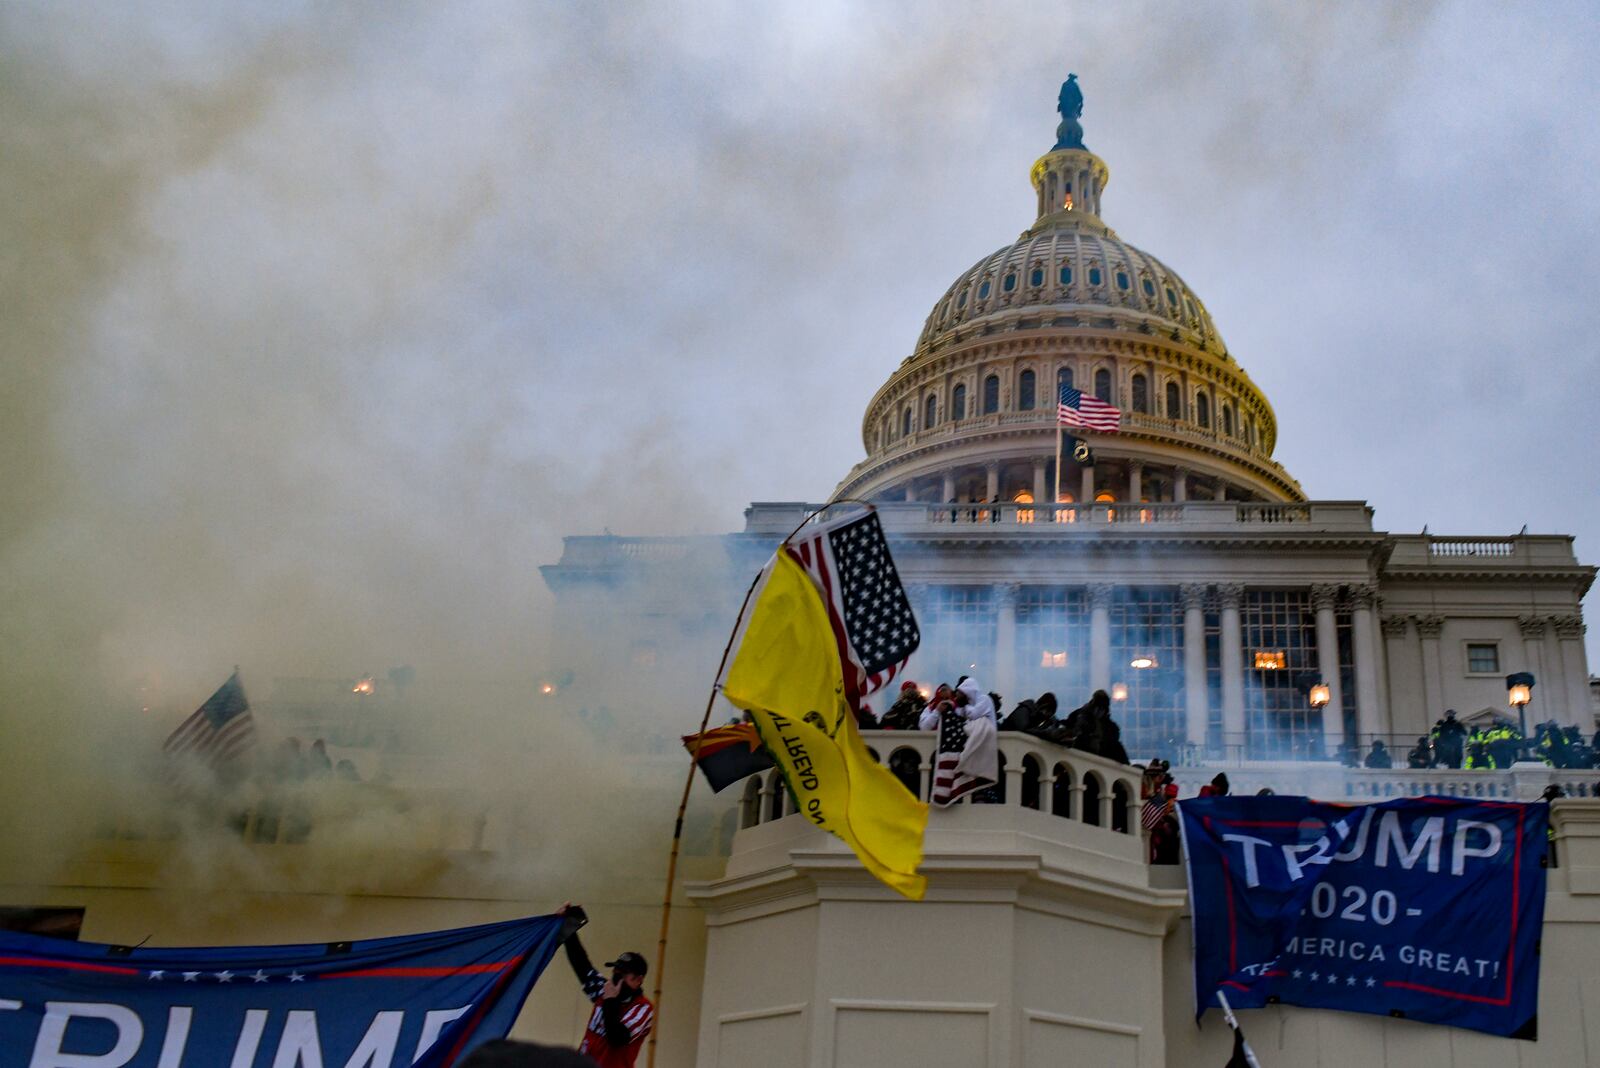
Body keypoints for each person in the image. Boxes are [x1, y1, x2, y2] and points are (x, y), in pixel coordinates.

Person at [556, 904, 653, 1067]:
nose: (616, 977)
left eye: (622, 974)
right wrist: (568, 925)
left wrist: (610, 1002)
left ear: (638, 980)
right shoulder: (606, 989)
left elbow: (617, 1038)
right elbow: (582, 966)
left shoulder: (643, 1008)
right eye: (615, 971)